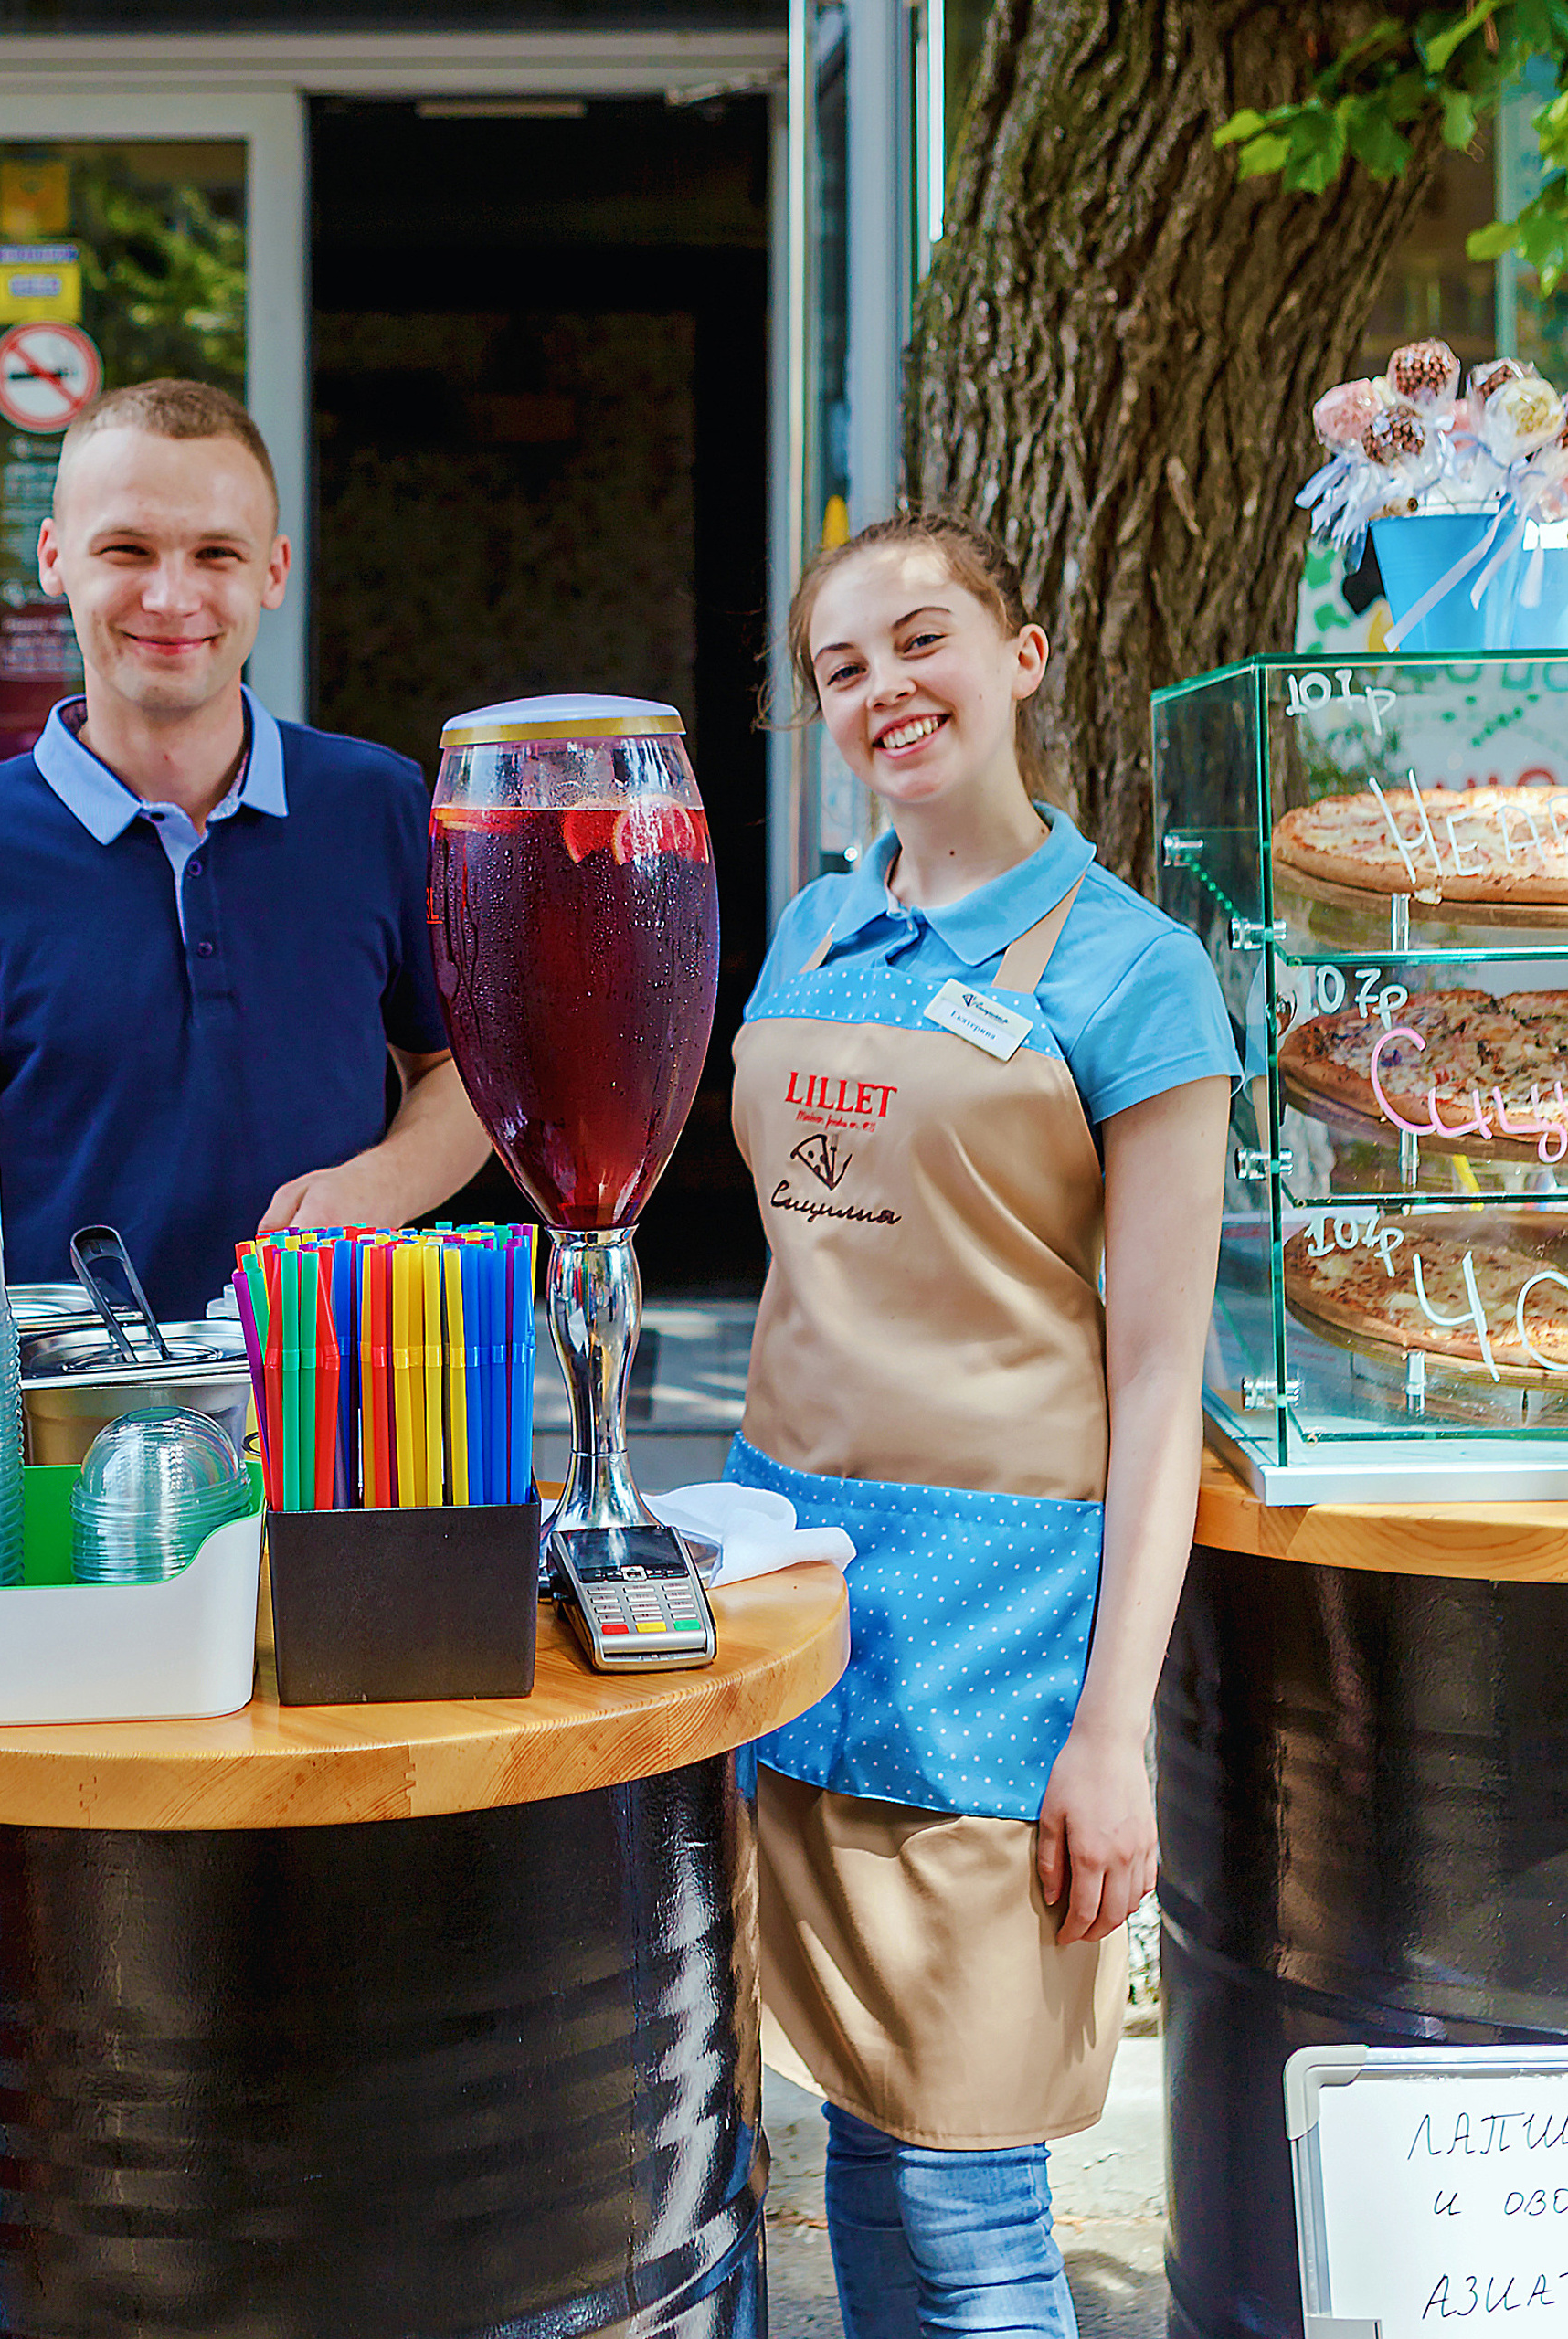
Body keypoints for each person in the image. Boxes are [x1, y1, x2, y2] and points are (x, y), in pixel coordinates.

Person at [729, 511, 1237, 2337]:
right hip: (778, 1602)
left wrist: (1114, 1732)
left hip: (992, 1638)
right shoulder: (805, 927)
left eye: (920, 639)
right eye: (839, 667)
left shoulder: (1135, 978)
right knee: (852, 2130)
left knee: (960, 2189)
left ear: (1021, 657)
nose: (883, 689)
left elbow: (1156, 1380)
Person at [0, 379, 489, 1318]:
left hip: (335, 1393)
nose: (170, 594)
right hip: (59, 1420)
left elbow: (465, 1071)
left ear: (272, 572)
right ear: (53, 558)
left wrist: (378, 1188)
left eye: (214, 553)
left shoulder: (382, 806)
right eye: (126, 549)